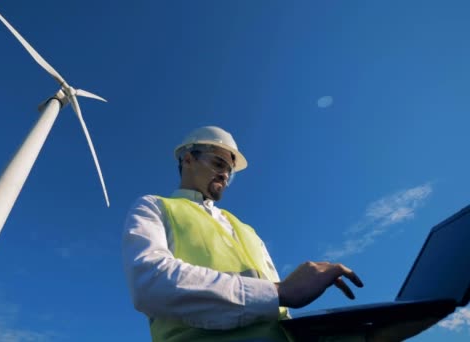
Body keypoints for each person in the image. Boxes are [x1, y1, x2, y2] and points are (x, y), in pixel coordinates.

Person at [122, 126, 441, 342]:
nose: (225, 173)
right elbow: (150, 284)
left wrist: (369, 334)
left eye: (230, 170)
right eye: (219, 161)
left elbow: (278, 322)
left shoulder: (247, 231)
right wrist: (280, 291)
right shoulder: (155, 207)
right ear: (187, 158)